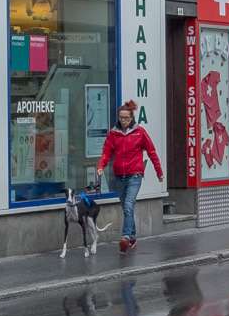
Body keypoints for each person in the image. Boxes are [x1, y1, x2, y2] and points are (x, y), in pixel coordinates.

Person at [97, 100, 164, 251]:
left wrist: (159, 172)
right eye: (121, 118)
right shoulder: (113, 134)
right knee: (126, 208)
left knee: (128, 205)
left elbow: (152, 152)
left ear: (132, 117)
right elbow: (106, 153)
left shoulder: (140, 132)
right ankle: (133, 237)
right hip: (119, 175)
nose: (124, 121)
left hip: (135, 175)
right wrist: (101, 166)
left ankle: (125, 237)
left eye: (126, 118)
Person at [59, 176, 101, 260]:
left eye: (71, 195)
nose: (69, 198)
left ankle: (94, 242)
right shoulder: (67, 208)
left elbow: (83, 226)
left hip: (92, 207)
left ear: (73, 195)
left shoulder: (76, 207)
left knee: (90, 224)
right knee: (88, 226)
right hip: (81, 209)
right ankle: (64, 250)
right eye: (67, 195)